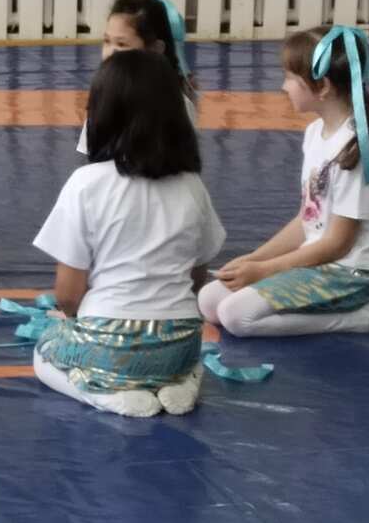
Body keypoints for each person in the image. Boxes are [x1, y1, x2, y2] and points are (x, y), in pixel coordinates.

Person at [33, 51, 225, 418]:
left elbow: (68, 294)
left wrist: (70, 319)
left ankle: (104, 395)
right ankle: (182, 382)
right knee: (175, 361)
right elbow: (197, 276)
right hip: (181, 342)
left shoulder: (86, 183)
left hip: (109, 343)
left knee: (43, 353)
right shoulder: (192, 186)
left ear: (100, 115)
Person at [199, 26, 369, 337]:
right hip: (322, 262)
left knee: (236, 316)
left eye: (290, 78)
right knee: (209, 301)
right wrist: (254, 259)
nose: (283, 87)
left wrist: (264, 270)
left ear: (323, 86)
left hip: (354, 275)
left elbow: (338, 244)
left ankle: (367, 317)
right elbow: (307, 221)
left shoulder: (359, 150)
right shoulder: (316, 133)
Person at [78, 0, 197, 154]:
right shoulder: (103, 100)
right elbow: (91, 156)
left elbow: (179, 162)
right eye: (106, 41)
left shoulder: (177, 106)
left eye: (122, 44)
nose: (109, 53)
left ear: (155, 49)